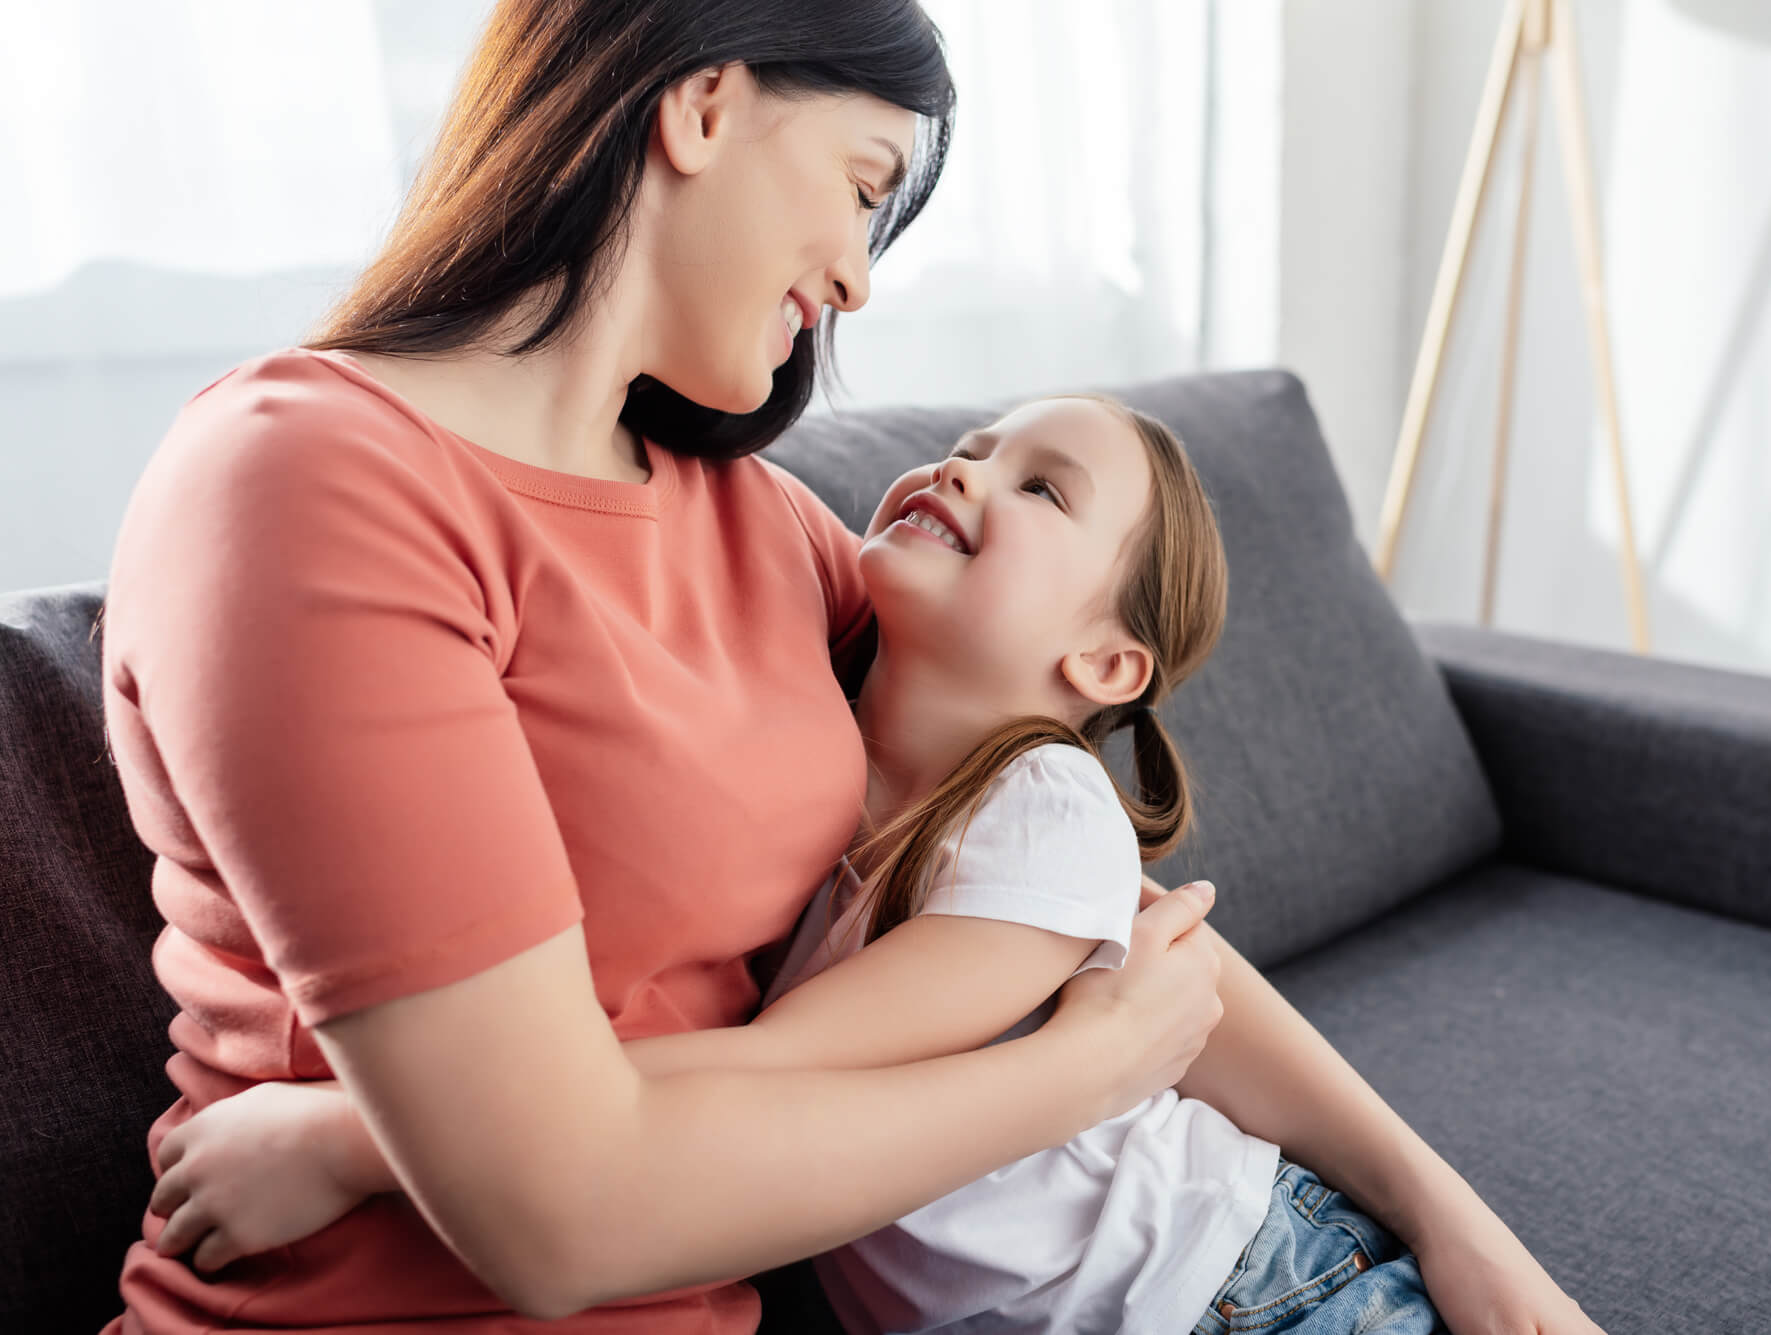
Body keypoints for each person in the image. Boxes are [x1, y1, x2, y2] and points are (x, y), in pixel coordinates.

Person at [98, 3, 1227, 1332]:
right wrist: (1080, 1076)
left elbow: (1058, 867)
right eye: (864, 186)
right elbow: (561, 1225)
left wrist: (1443, 1217)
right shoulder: (308, 485)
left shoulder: (761, 528)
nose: (860, 280)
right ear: (703, 106)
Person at [146, 398, 1606, 1335]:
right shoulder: (810, 729)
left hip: (1250, 1296)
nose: (969, 468)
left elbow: (787, 1073)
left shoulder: (1043, 813)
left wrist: (353, 1136)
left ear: (1101, 662)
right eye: (977, 446)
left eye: (1042, 489)